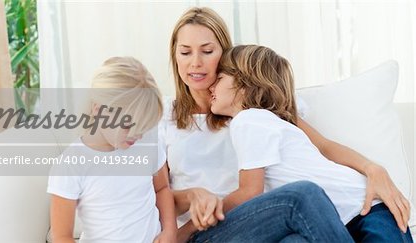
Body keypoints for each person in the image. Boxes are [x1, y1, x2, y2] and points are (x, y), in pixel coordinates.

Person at [164, 7, 410, 242]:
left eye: (207, 51)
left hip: (275, 222)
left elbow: (321, 146)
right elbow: (146, 192)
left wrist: (372, 168)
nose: (195, 62)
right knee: (304, 195)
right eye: (185, 52)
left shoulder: (258, 111)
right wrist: (191, 199)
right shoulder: (161, 115)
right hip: (215, 227)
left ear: (227, 56)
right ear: (174, 56)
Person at [209, 44, 413, 242]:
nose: (211, 86)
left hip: (366, 205)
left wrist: (373, 169)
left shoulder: (248, 120)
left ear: (244, 85)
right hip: (337, 218)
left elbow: (250, 190)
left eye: (219, 78)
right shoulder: (270, 121)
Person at [48, 57, 177, 242]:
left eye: (144, 126)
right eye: (130, 126)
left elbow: (162, 188)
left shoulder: (147, 141)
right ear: (98, 109)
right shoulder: (72, 164)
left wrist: (170, 231)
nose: (138, 135)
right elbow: (61, 236)